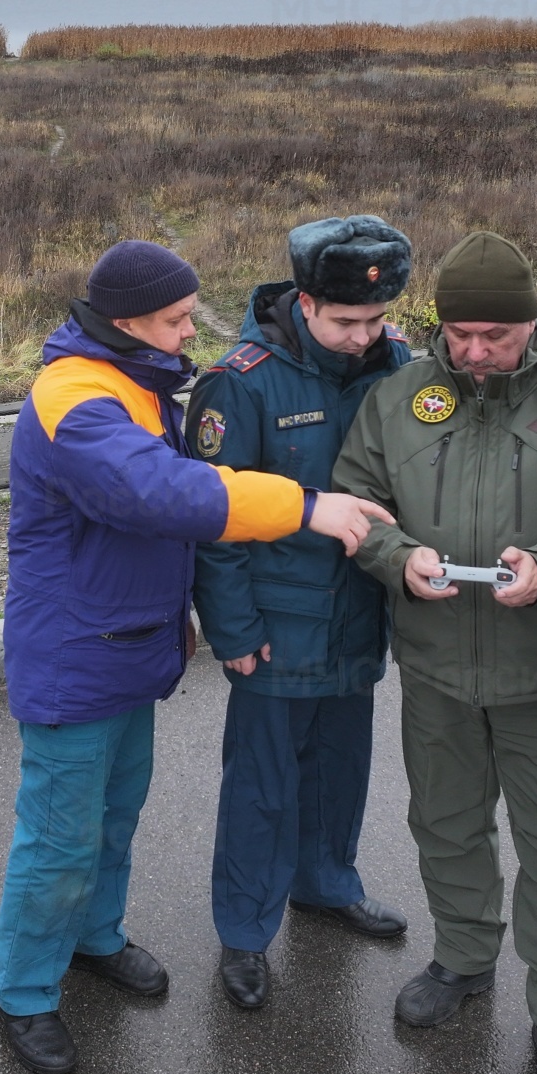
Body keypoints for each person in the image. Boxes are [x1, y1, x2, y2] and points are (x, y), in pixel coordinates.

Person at [0, 239, 395, 1074]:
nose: (191, 332)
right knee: (60, 836)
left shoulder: (136, 382)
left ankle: (96, 940)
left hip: (126, 644)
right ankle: (27, 993)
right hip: (75, 654)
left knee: (113, 814)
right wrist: (305, 506)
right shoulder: (75, 397)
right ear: (127, 321)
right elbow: (161, 493)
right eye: (178, 319)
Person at [333, 231, 537, 1074]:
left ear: (531, 325)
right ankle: (465, 959)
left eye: (495, 338)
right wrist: (399, 559)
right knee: (444, 827)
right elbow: (356, 507)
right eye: (460, 335)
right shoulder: (398, 397)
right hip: (436, 670)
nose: (475, 353)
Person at [185, 215, 417, 1011]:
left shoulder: (396, 368)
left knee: (341, 770)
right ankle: (245, 935)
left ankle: (326, 884)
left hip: (358, 616)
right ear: (306, 302)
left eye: (377, 319)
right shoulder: (241, 382)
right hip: (276, 628)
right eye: (347, 321)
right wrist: (234, 632)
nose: (363, 336)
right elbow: (211, 520)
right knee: (261, 787)